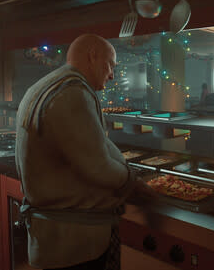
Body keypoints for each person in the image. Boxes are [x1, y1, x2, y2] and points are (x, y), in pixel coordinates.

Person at [15, 34, 154, 270]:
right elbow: (98, 168)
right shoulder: (71, 93)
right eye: (110, 64)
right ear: (92, 56)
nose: (111, 75)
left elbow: (96, 144)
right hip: (74, 246)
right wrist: (133, 183)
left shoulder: (50, 84)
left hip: (58, 238)